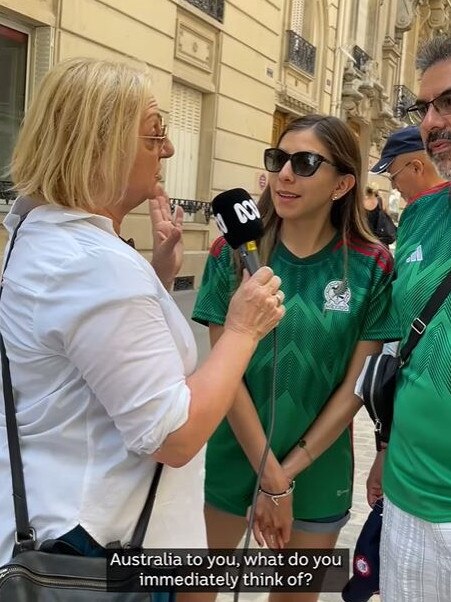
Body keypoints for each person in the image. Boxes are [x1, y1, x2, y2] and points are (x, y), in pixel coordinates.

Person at [0, 57, 286, 592]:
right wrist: (244, 329)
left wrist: (156, 274)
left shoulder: (38, 230)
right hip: (100, 547)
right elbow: (173, 437)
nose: (169, 150)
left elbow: (88, 362)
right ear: (101, 144)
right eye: (156, 135)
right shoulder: (92, 265)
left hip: (61, 514)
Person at [191, 114, 395, 602]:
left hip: (320, 467)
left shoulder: (373, 264)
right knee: (194, 593)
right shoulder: (231, 253)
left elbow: (356, 386)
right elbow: (226, 373)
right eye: (278, 159)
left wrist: (287, 474)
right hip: (233, 454)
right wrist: (269, 473)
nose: (284, 174)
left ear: (343, 184)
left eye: (304, 163)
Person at [365, 36, 451, 602]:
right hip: (409, 502)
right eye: (425, 108)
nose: (433, 121)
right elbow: (403, 349)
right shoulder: (420, 219)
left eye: (448, 102)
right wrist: (384, 448)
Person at [369, 124, 446, 206]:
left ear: (416, 168)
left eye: (393, 177)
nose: (393, 186)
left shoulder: (433, 211)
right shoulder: (425, 206)